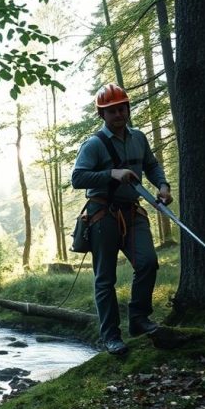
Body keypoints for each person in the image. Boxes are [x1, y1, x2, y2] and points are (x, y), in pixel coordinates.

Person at [70, 83, 171, 356]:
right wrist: (110, 174)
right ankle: (111, 336)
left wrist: (163, 185)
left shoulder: (139, 137)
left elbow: (151, 165)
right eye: (111, 110)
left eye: (121, 108)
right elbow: (77, 178)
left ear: (127, 109)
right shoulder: (93, 145)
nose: (118, 114)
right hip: (102, 215)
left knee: (148, 262)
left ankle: (138, 318)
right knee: (105, 279)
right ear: (102, 115)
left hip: (133, 212)